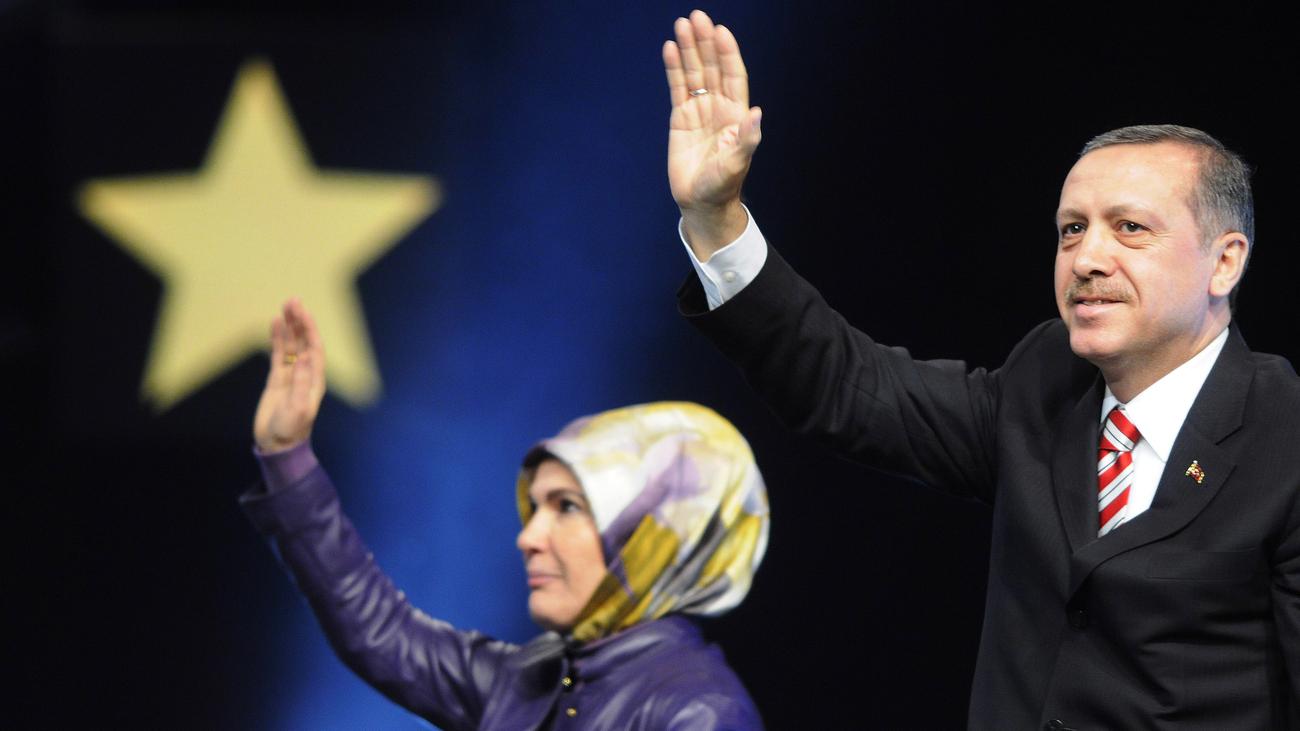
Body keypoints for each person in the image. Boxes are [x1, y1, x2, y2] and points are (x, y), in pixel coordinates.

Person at [663, 9, 1299, 730]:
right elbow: (849, 386)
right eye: (1072, 229)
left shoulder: (1285, 437)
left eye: (1130, 228)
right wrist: (716, 218)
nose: (1087, 258)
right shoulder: (1043, 379)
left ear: (1225, 261)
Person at [240, 299, 769, 730]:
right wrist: (286, 455)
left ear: (656, 538)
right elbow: (379, 631)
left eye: (568, 507)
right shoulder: (531, 679)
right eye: (535, 508)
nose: (529, 537)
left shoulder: (700, 715)